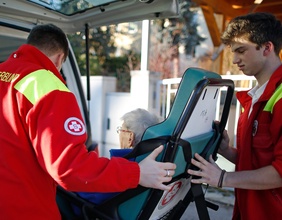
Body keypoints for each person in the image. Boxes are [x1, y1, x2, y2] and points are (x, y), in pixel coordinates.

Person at [0, 24, 176, 219]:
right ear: (60, 58)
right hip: (25, 210)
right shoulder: (48, 87)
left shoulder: (4, 74)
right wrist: (137, 173)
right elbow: (68, 167)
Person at [187, 12, 282, 220]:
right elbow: (255, 162)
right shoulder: (254, 97)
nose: (235, 60)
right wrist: (227, 151)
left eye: (241, 51)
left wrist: (222, 177)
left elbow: (279, 172)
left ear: (267, 48)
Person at [75, 108, 161, 208]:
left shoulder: (122, 168)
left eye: (121, 130)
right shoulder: (154, 166)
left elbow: (85, 193)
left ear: (130, 138)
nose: (119, 133)